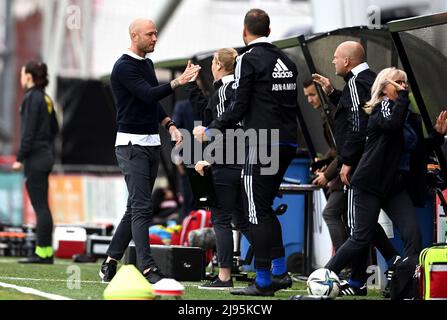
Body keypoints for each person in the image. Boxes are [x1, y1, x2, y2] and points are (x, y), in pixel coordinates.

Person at [194, 9, 298, 296]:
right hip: (288, 142)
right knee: (261, 208)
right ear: (270, 29)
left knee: (253, 213)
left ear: (244, 31)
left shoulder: (247, 60)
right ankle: (279, 272)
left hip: (262, 143)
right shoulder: (286, 59)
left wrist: (213, 129)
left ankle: (263, 282)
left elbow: (239, 106)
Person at [324, 67, 447, 293]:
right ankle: (324, 275)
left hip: (395, 186)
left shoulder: (408, 116)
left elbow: (416, 149)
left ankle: (405, 287)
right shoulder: (380, 110)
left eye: (405, 83)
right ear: (384, 86)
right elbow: (392, 125)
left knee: (413, 234)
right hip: (370, 183)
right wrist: (402, 98)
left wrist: (437, 137)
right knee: (360, 237)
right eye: (398, 83)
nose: (404, 87)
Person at [99, 19, 200, 284]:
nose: (155, 38)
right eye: (150, 34)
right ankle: (147, 267)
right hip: (131, 146)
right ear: (134, 36)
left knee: (134, 207)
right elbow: (146, 94)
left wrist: (170, 125)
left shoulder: (147, 64)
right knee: (143, 207)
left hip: (152, 143)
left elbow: (153, 102)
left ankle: (110, 261)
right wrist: (179, 82)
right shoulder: (123, 66)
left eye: (156, 33)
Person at [313, 42, 400, 296]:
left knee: (356, 226)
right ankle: (360, 279)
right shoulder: (368, 81)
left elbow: (358, 125)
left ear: (348, 62)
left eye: (336, 57)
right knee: (361, 224)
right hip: (371, 162)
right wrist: (331, 92)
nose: (333, 61)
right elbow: (360, 110)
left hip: (359, 164)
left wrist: (347, 160)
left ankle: (334, 276)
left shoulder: (355, 83)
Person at [186, 48, 251, 289]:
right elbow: (210, 113)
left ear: (218, 65)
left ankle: (224, 277)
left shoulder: (226, 90)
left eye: (213, 62)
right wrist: (192, 86)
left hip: (227, 163)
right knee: (244, 221)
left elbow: (227, 129)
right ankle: (273, 267)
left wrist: (210, 159)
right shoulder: (236, 90)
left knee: (221, 221)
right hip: (243, 162)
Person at [13, 61, 59, 264]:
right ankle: (46, 251)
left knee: (40, 206)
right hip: (45, 155)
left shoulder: (32, 98)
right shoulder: (46, 98)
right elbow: (55, 128)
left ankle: (43, 252)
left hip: (35, 158)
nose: (21, 79)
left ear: (29, 77)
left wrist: (20, 157)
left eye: (22, 75)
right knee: (43, 206)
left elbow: (28, 132)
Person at [303, 79, 348, 253]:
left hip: (348, 170)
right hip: (342, 168)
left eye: (313, 95)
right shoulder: (328, 113)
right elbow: (335, 149)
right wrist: (324, 162)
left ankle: (346, 263)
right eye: (307, 96)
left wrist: (327, 175)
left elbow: (343, 148)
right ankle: (351, 265)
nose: (309, 100)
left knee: (331, 213)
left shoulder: (335, 113)